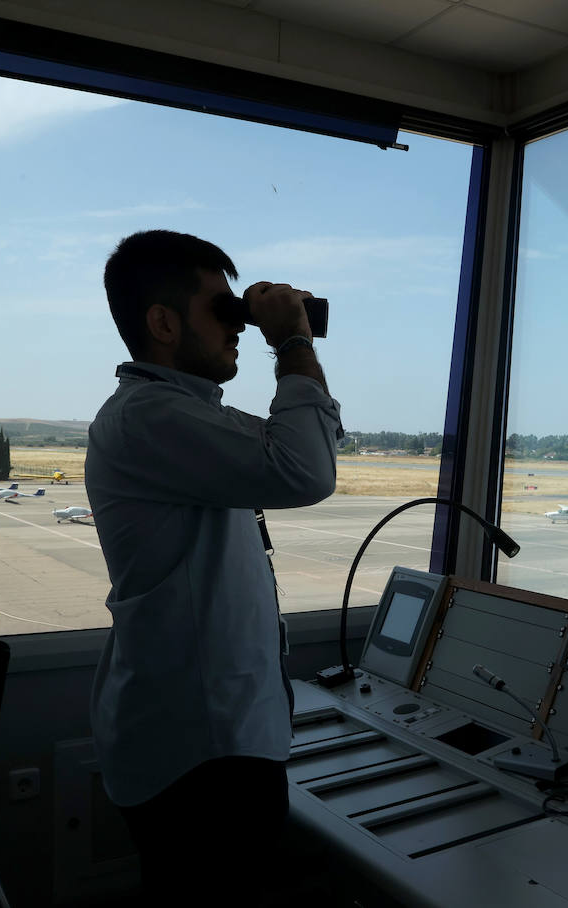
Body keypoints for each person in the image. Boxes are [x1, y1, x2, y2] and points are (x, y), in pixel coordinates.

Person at [86, 230, 342, 905]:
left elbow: (304, 445)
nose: (239, 327)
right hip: (202, 754)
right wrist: (291, 340)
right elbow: (307, 470)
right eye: (222, 309)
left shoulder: (183, 417)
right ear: (164, 323)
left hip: (209, 739)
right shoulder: (151, 417)